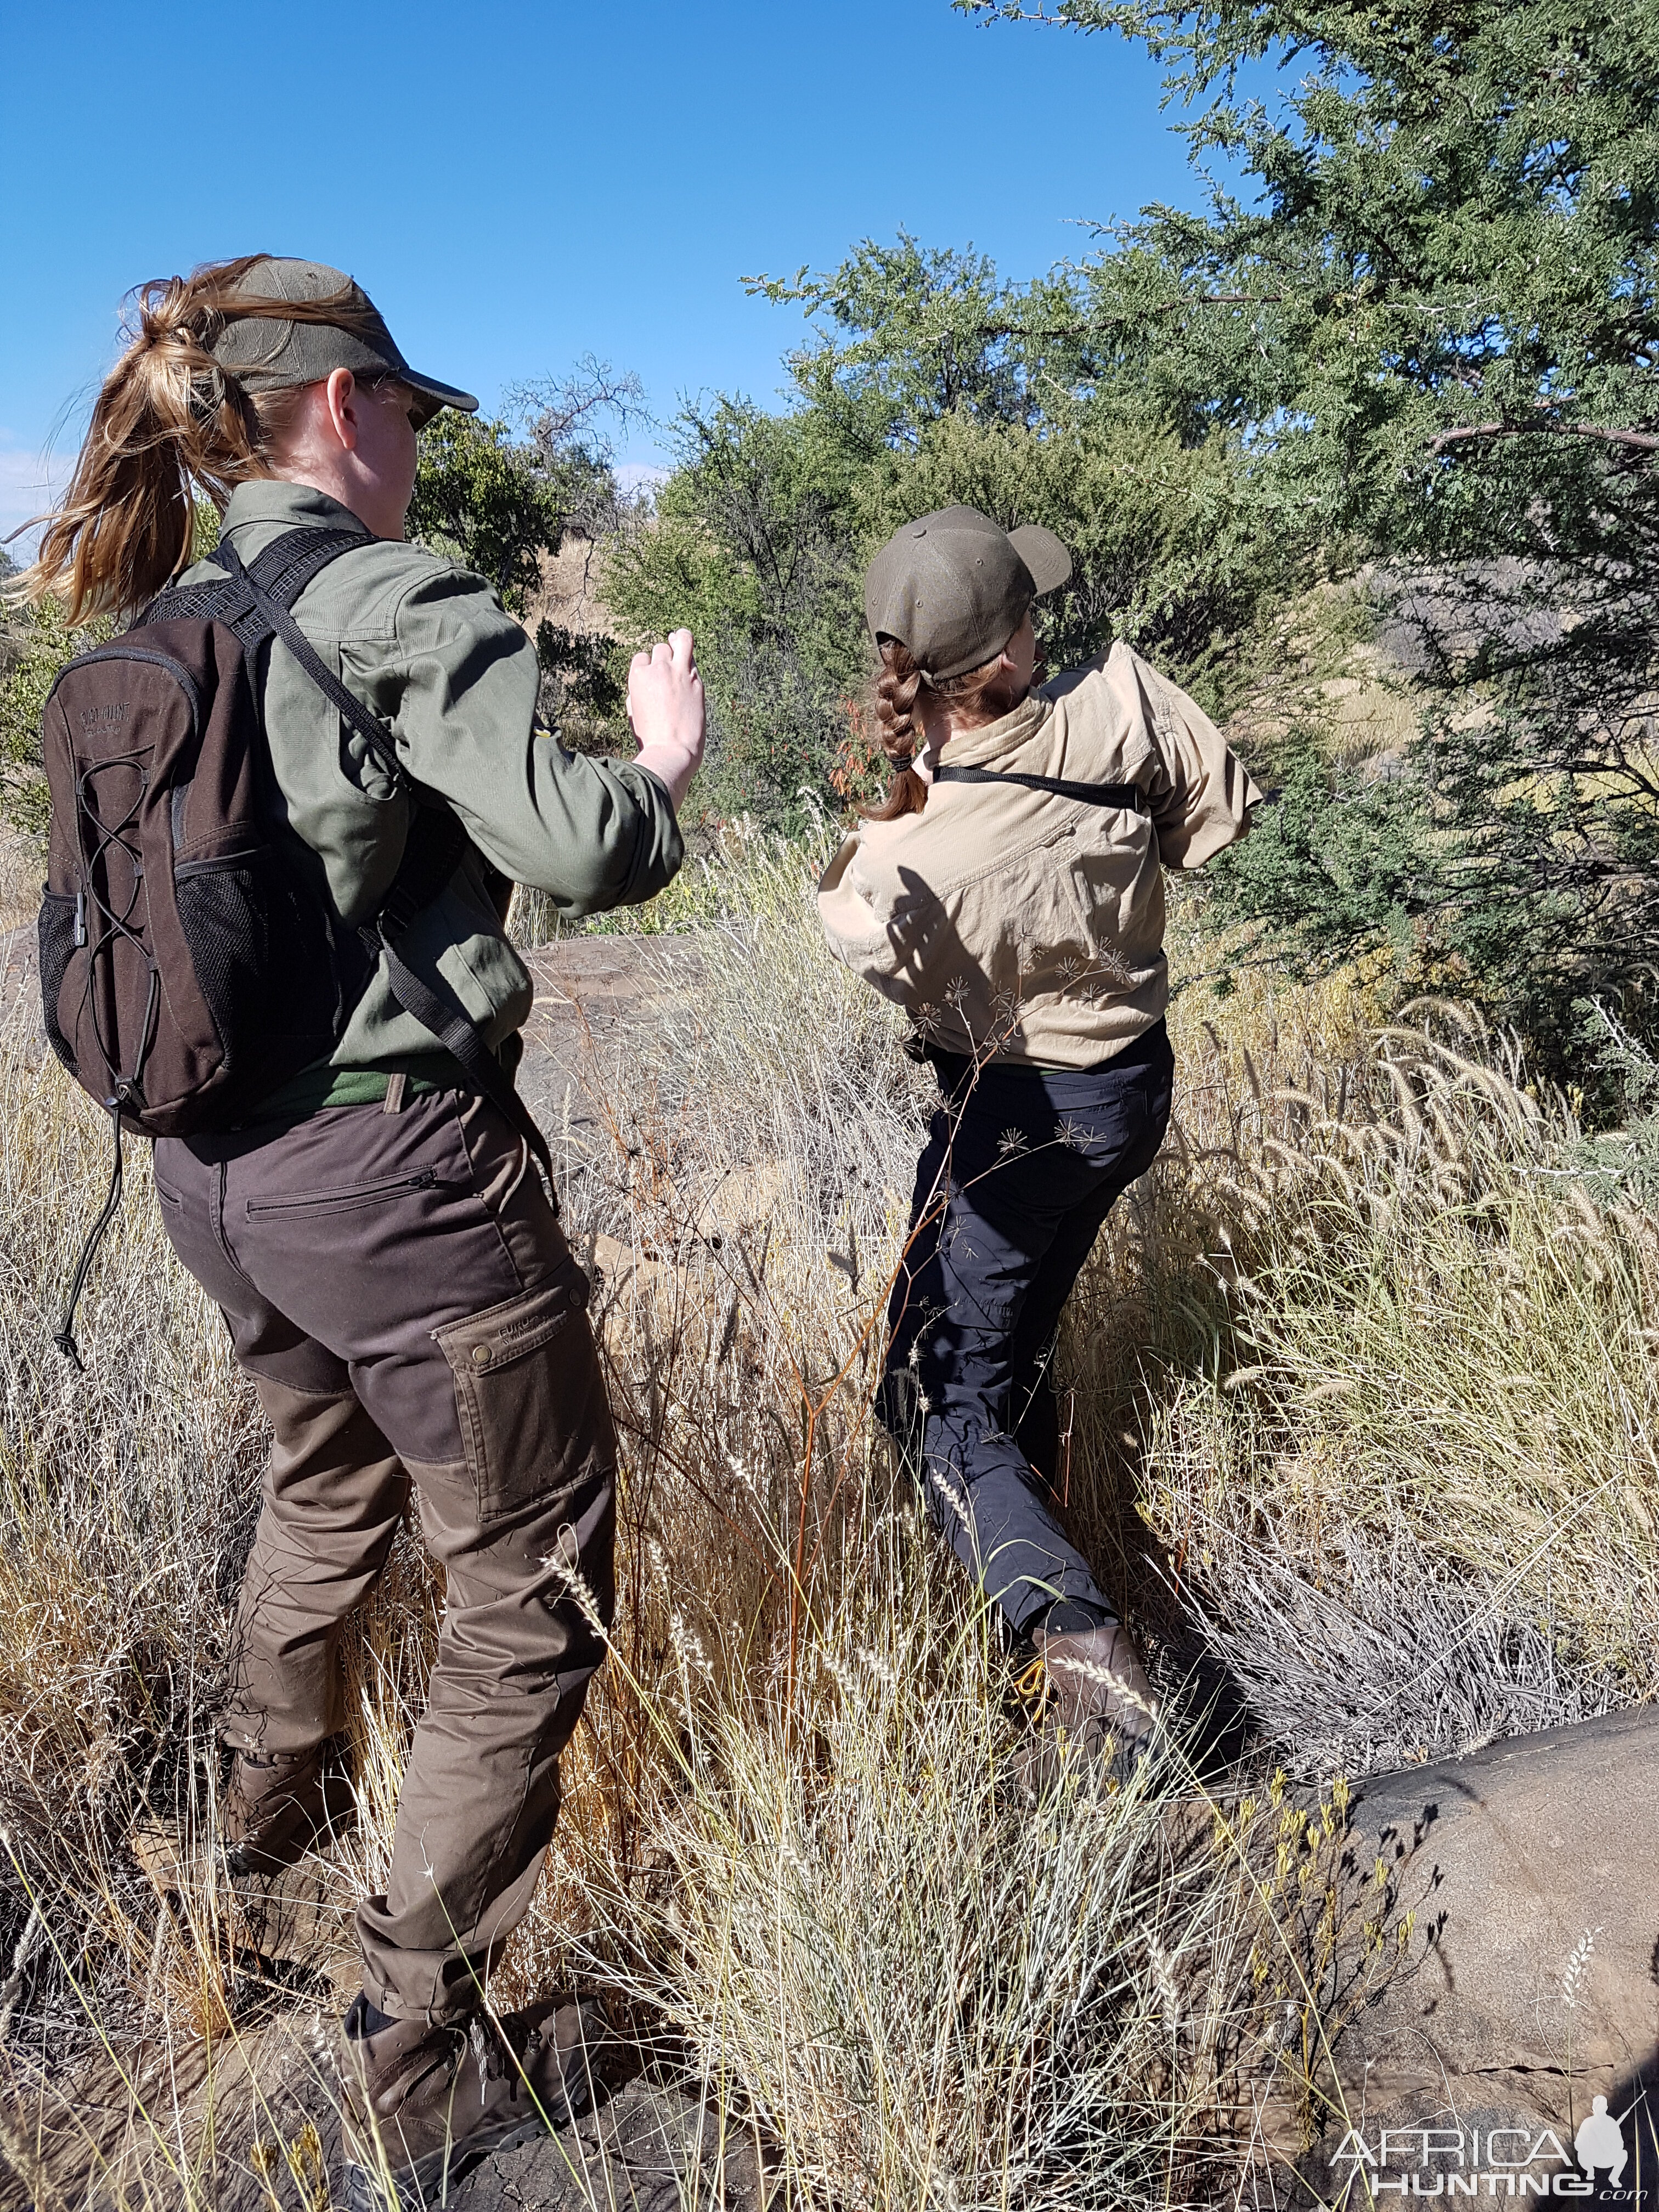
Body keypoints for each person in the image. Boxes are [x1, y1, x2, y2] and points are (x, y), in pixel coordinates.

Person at [19, 255, 705, 2203]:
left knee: (322, 1498)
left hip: (212, 1178)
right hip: (394, 1184)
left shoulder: (168, 621)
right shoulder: (387, 594)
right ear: (339, 409)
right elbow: (586, 848)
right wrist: (659, 755)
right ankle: (419, 2039)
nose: (417, 447)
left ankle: (245, 1874)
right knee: (530, 1585)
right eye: (408, 410)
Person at [818, 505, 1260, 1777]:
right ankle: (1046, 1540)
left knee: (929, 1391)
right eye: (1028, 615)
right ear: (1009, 655)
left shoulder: (910, 856)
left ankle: (1085, 1667)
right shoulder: (1123, 703)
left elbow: (877, 955)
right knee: (1009, 1339)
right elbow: (1212, 813)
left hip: (1011, 1115)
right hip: (1130, 1088)